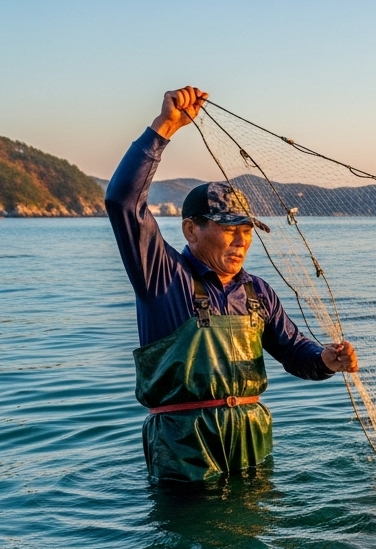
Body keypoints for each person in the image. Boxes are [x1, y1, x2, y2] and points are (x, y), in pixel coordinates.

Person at [106, 86, 358, 482]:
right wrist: (163, 129)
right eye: (228, 228)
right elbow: (122, 201)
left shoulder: (257, 292)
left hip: (251, 440)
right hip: (184, 447)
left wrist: (325, 360)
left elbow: (293, 350)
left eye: (248, 229)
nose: (241, 239)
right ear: (191, 229)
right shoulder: (162, 276)